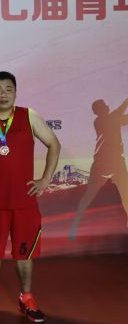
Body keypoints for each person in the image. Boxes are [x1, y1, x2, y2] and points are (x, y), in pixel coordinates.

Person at [0, 71, 61, 323]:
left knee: (25, 255)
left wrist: (45, 179)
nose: (3, 94)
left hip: (24, 201)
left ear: (16, 92)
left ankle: (26, 297)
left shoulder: (29, 116)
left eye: (9, 89)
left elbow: (54, 144)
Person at [69, 98, 128, 239]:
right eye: (104, 105)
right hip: (108, 161)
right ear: (100, 110)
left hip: (106, 161)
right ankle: (75, 225)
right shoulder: (103, 121)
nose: (107, 106)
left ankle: (74, 225)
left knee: (93, 194)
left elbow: (121, 117)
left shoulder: (109, 120)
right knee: (92, 195)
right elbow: (120, 111)